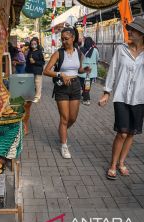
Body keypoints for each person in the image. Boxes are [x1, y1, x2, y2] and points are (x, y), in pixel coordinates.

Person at [98, 17, 144, 180]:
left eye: (133, 30)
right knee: (122, 133)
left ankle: (121, 163)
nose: (129, 31)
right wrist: (106, 92)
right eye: (129, 29)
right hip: (121, 96)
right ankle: (113, 164)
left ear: (142, 34)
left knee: (131, 133)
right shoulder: (121, 49)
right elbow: (112, 71)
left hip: (139, 98)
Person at [43, 27, 91, 159]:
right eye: (62, 39)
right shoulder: (59, 53)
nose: (63, 41)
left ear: (73, 38)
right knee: (64, 118)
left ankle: (61, 131)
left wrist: (84, 69)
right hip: (62, 87)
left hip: (75, 86)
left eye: (66, 39)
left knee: (72, 118)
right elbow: (46, 71)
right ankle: (64, 145)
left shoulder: (79, 52)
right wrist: (60, 74)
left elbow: (78, 69)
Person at [78, 37, 99, 105]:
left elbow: (78, 59)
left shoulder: (80, 49)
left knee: (83, 84)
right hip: (91, 70)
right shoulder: (95, 50)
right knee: (87, 84)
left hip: (82, 69)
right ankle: (86, 98)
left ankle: (85, 96)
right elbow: (97, 59)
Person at [25, 38, 45, 103]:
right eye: (32, 44)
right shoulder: (29, 52)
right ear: (30, 44)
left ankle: (37, 97)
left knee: (37, 84)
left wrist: (35, 62)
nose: (33, 45)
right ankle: (31, 96)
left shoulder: (39, 52)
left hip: (37, 70)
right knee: (30, 84)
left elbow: (42, 62)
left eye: (35, 44)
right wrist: (26, 69)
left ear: (37, 44)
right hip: (30, 70)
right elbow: (27, 62)